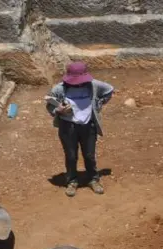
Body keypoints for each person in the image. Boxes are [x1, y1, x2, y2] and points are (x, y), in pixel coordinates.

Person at [45, 61, 115, 197]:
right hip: (68, 127)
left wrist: (99, 104)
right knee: (71, 156)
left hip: (88, 126)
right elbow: (49, 105)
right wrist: (58, 110)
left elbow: (109, 89)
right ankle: (72, 181)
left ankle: (93, 179)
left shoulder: (93, 85)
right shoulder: (59, 89)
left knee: (89, 155)